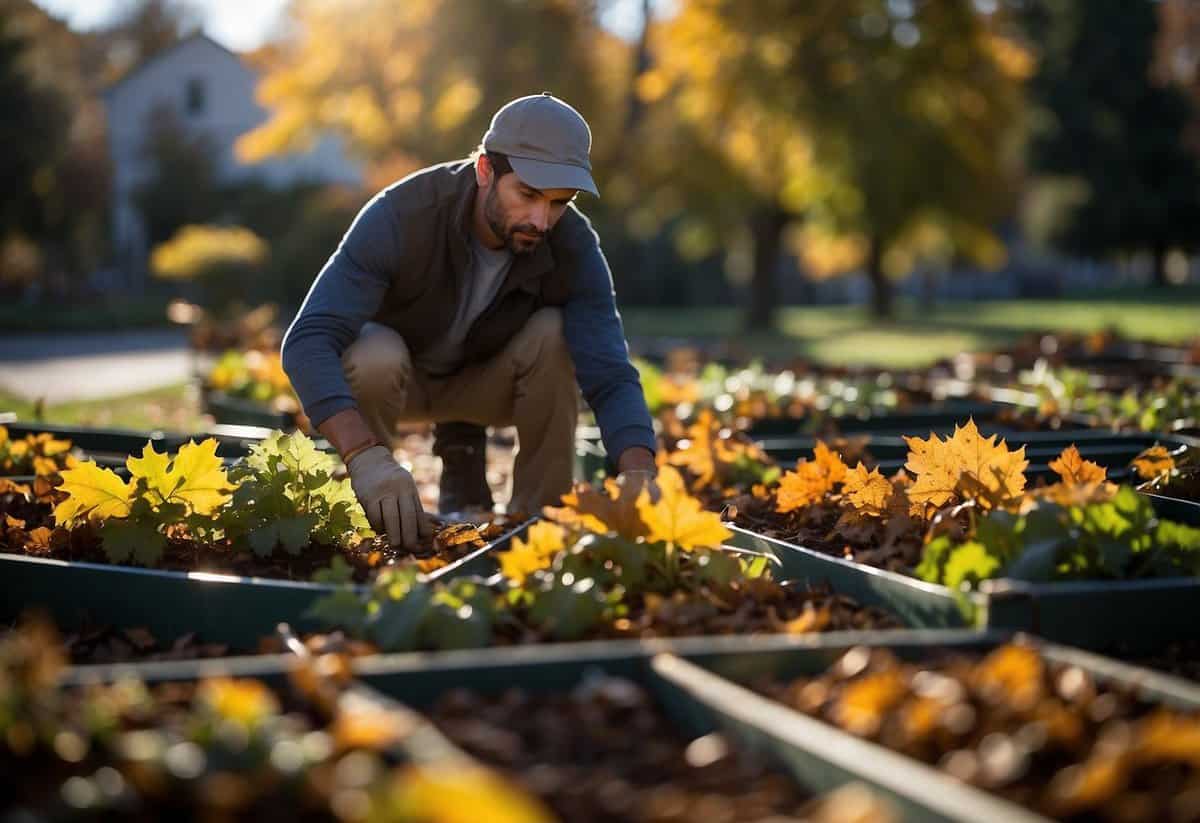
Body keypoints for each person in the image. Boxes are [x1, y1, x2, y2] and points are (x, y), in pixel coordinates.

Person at [281, 92, 657, 548]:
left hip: (488, 384)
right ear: (484, 170)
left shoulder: (573, 243)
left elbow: (610, 373)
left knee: (556, 336)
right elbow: (307, 340)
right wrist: (365, 456)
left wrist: (638, 472)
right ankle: (377, 515)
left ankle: (537, 526)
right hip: (399, 384)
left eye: (560, 202)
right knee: (373, 351)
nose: (542, 220)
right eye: (528, 194)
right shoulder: (402, 214)